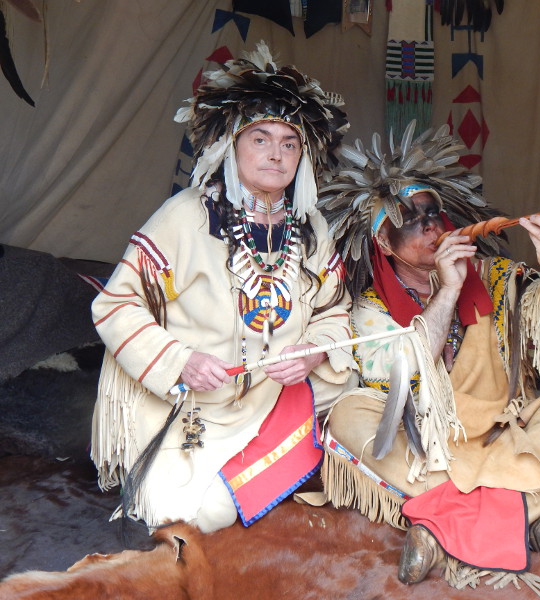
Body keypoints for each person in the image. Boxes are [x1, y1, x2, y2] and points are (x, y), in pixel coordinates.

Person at [317, 123, 540, 592]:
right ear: (384, 243)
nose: (431, 224)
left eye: (435, 213)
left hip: (501, 426)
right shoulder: (369, 306)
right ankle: (526, 507)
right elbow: (402, 373)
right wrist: (449, 288)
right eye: (411, 219)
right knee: (348, 417)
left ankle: (437, 525)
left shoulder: (494, 274)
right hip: (426, 440)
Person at [90, 42, 354, 534]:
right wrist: (180, 360)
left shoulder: (311, 226)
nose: (276, 154)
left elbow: (335, 311)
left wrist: (314, 352)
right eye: (260, 138)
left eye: (289, 143)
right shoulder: (187, 215)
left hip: (278, 396)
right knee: (196, 514)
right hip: (193, 407)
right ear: (231, 145)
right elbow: (114, 304)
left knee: (362, 418)